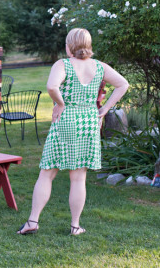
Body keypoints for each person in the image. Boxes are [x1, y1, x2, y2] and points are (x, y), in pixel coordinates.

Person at [17, 28, 129, 236]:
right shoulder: (99, 66)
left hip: (67, 118)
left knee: (47, 172)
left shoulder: (63, 64)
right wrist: (104, 109)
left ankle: (33, 221)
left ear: (70, 45)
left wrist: (60, 103)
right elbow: (123, 84)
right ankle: (75, 226)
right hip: (89, 120)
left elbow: (52, 86)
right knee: (78, 178)